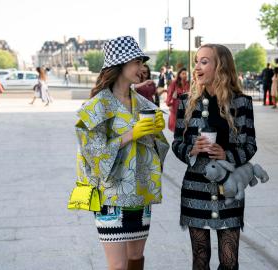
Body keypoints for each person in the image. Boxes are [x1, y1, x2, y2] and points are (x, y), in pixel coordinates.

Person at [74, 36, 169, 270]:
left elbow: (159, 152)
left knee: (136, 259)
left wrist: (157, 133)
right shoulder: (95, 107)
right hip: (110, 196)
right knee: (117, 265)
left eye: (142, 62)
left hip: (139, 191)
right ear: (120, 64)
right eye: (137, 62)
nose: (142, 68)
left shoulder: (146, 106)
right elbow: (92, 156)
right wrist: (130, 134)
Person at [172, 44, 257, 269]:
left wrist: (227, 154)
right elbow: (176, 144)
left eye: (204, 61)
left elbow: (250, 145)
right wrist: (191, 149)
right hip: (195, 189)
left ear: (221, 66)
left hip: (229, 193)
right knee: (200, 260)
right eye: (196, 61)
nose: (196, 67)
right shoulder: (184, 101)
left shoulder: (242, 103)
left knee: (230, 262)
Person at [166, 67, 190, 132]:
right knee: (176, 129)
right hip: (176, 107)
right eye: (183, 73)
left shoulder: (188, 83)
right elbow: (169, 96)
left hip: (186, 108)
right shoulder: (174, 83)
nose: (185, 75)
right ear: (179, 75)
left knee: (185, 129)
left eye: (186, 73)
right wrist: (171, 101)